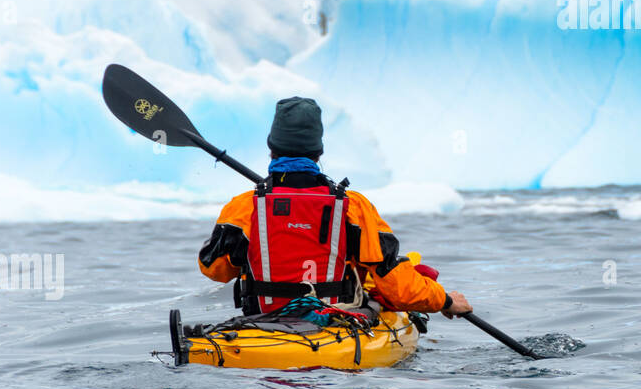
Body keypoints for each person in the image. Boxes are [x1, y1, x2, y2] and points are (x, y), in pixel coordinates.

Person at [197, 96, 471, 319]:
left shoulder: (245, 207)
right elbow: (396, 285)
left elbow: (214, 269)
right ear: (319, 152)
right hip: (338, 325)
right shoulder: (354, 207)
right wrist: (444, 300)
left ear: (272, 150)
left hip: (261, 327)